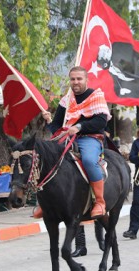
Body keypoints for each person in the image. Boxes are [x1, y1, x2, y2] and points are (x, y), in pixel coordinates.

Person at [40, 66, 111, 219]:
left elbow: (101, 121)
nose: (75, 82)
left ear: (86, 80)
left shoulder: (96, 96)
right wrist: (48, 120)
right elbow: (58, 127)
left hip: (90, 138)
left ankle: (99, 201)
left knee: (88, 160)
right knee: (47, 157)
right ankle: (45, 202)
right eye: (73, 79)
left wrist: (79, 127)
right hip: (66, 137)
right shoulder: (67, 99)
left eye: (79, 79)